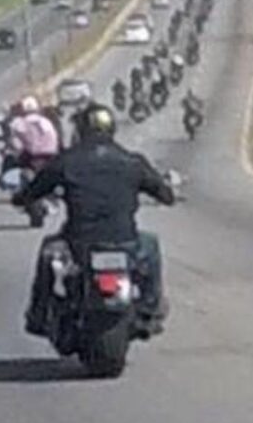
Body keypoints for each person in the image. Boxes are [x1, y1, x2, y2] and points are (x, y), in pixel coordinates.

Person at [14, 102, 175, 336]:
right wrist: (165, 191)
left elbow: (33, 191)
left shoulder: (66, 161)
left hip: (80, 241)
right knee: (150, 246)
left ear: (80, 131)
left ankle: (38, 314)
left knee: (48, 251)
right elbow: (165, 195)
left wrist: (21, 199)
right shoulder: (132, 161)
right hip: (125, 240)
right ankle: (150, 308)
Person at [8, 95, 60, 168]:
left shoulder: (19, 123)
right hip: (51, 155)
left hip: (31, 157)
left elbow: (16, 144)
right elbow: (54, 138)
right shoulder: (46, 122)